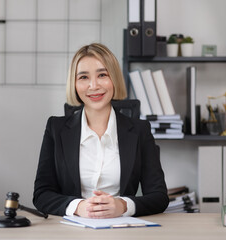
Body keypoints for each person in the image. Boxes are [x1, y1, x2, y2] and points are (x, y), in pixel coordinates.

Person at [33, 43, 168, 218]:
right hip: (71, 231)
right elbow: (42, 194)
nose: (93, 85)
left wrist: (123, 205)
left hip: (122, 229)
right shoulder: (55, 128)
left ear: (114, 78)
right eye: (83, 77)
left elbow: (159, 197)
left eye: (102, 75)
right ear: (74, 84)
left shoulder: (140, 130)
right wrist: (78, 207)